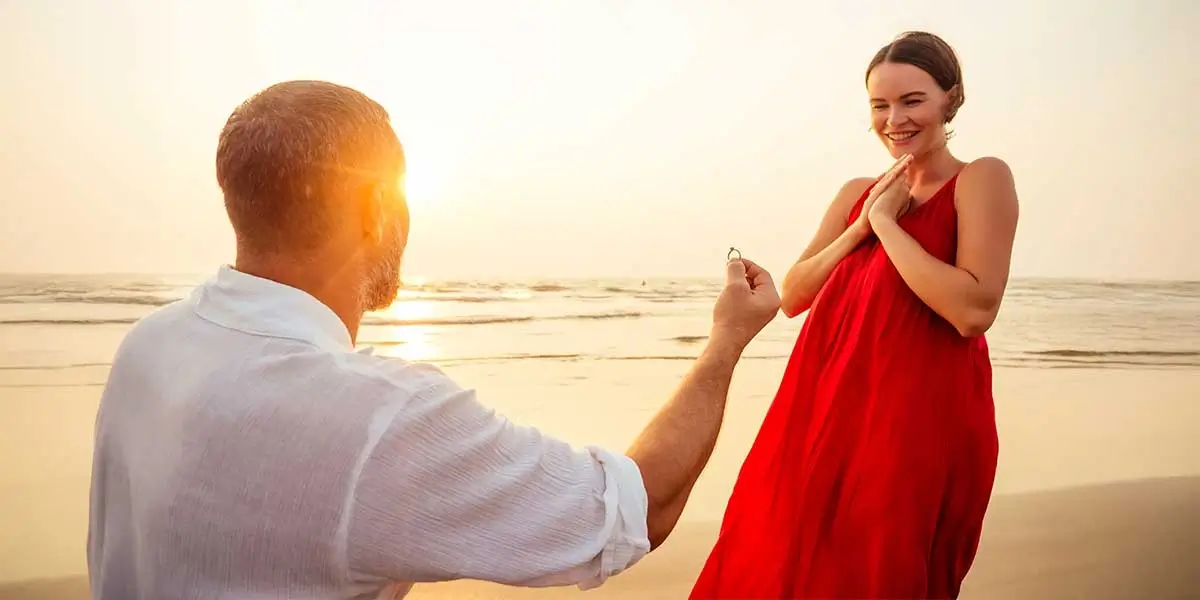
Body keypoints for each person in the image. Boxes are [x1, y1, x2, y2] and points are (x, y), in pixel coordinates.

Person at [86, 80, 782, 599]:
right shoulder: (377, 419)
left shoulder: (151, 346)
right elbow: (630, 512)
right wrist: (726, 340)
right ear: (375, 206)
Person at [689, 31, 1020, 599]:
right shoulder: (858, 194)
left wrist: (890, 228)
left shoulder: (981, 178)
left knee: (879, 571)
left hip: (914, 423)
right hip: (822, 409)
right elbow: (793, 295)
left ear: (951, 98)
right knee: (775, 557)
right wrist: (863, 225)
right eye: (879, 105)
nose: (895, 119)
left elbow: (972, 309)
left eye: (912, 100)